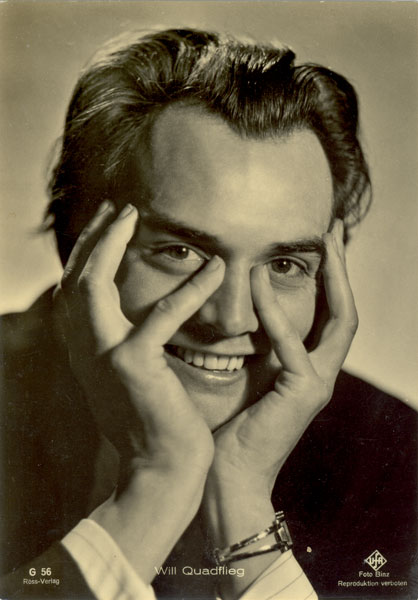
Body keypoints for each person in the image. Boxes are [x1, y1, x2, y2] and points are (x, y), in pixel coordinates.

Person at [1, 28, 416, 600]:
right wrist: (158, 481)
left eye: (285, 265)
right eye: (180, 252)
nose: (231, 318)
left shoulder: (395, 461)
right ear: (81, 248)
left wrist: (240, 495)